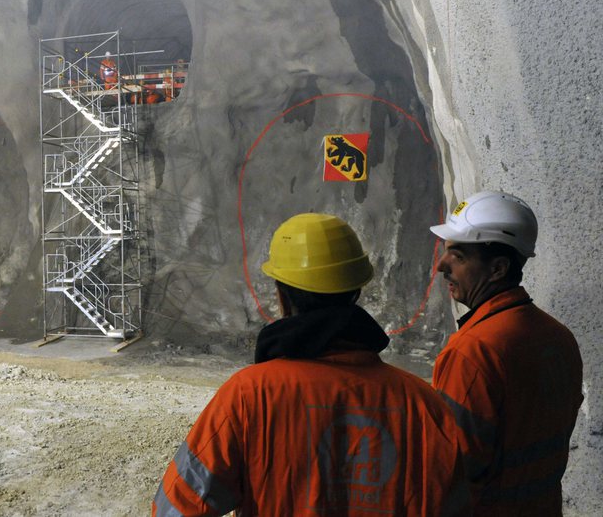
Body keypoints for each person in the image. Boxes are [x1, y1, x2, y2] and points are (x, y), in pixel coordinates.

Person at [153, 213, 471, 516]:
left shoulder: (248, 397)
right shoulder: (425, 406)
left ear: (281, 295)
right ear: (356, 291)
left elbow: (177, 508)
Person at [430, 191, 582, 515]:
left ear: (498, 268)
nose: (442, 266)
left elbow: (449, 475)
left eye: (457, 256)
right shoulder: (559, 338)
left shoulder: (472, 353)